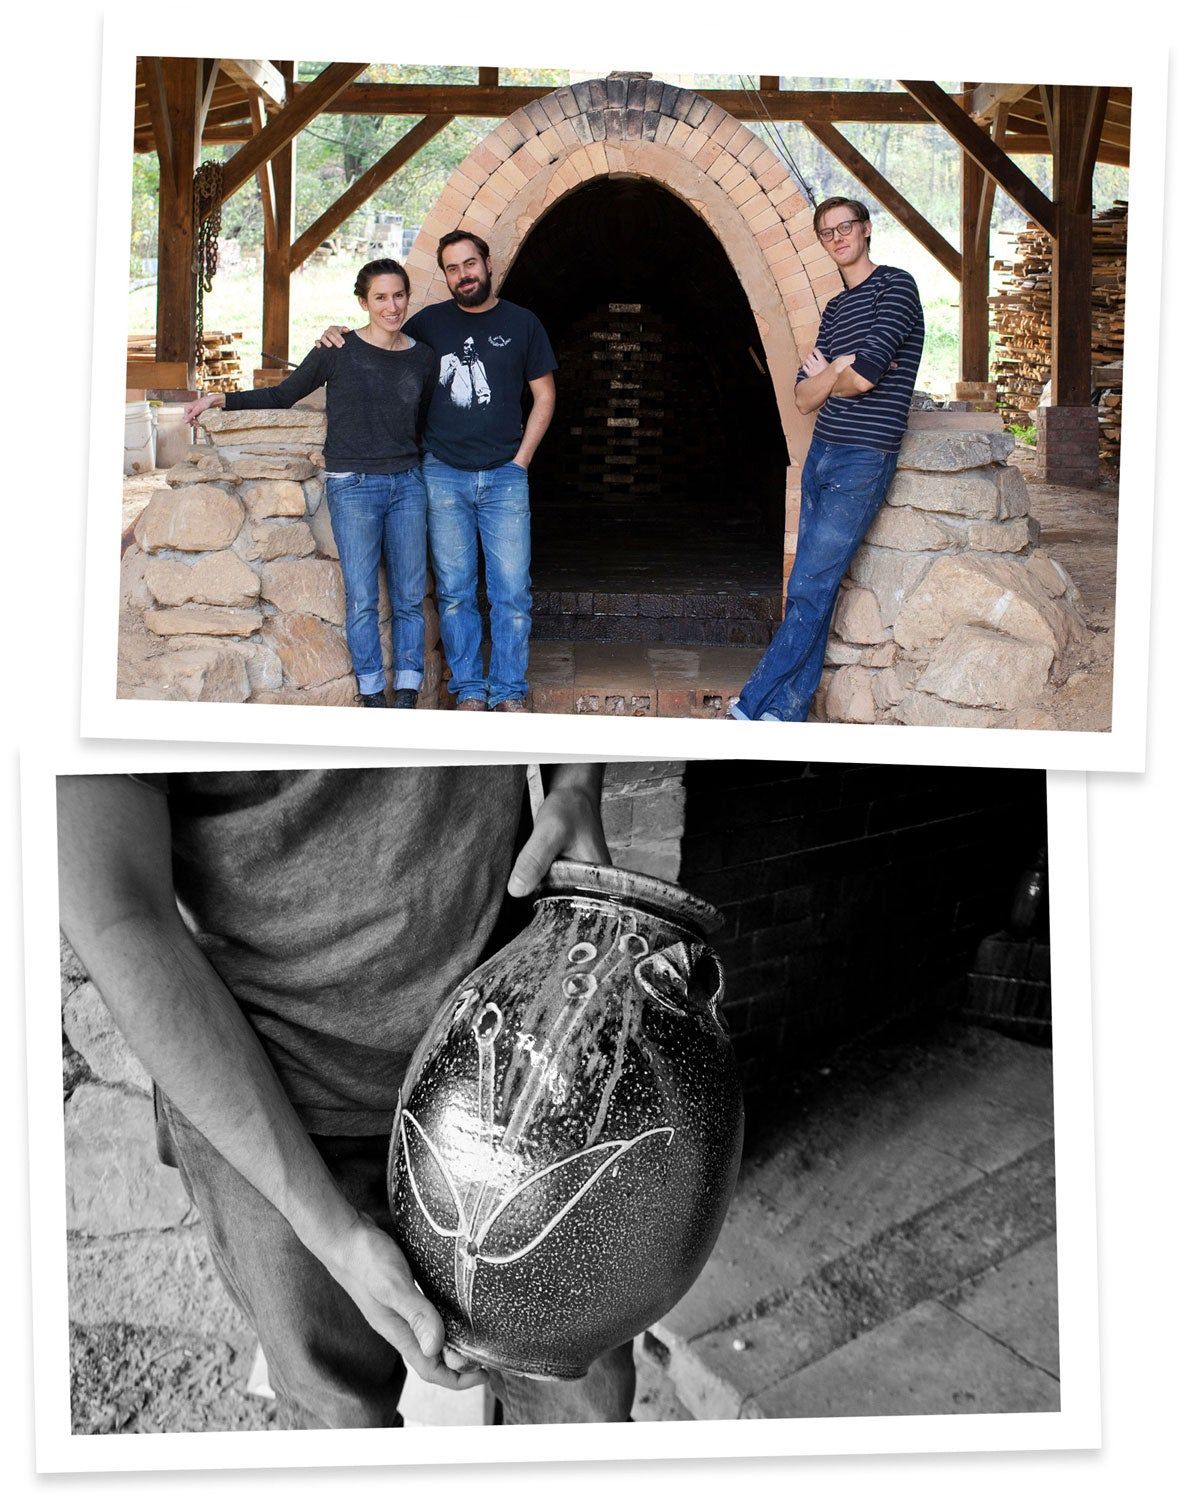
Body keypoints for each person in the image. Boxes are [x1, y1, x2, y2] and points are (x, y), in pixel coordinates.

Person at [57, 764, 637, 1427]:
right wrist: (328, 1230)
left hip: (514, 1061)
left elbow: (569, 668)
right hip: (278, 1093)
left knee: (583, 1417)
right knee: (342, 1425)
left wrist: (576, 783)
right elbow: (117, 914)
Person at [184, 260, 438, 710]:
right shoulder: (336, 349)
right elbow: (284, 394)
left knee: (407, 595)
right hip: (353, 485)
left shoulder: (422, 356)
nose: (391, 306)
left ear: (408, 296)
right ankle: (371, 690)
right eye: (380, 297)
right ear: (363, 302)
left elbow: (424, 423)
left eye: (398, 295)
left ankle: (408, 688)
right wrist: (221, 397)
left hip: (407, 486)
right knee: (361, 595)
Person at [320, 231, 556, 712]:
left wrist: (521, 461)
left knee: (512, 591)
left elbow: (545, 396)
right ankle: (469, 689)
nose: (463, 275)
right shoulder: (428, 324)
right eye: (452, 268)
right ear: (445, 275)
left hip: (505, 478)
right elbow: (381, 338)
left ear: (488, 264)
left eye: (470, 264)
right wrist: (335, 335)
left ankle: (509, 690)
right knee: (454, 592)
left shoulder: (523, 323)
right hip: (443, 475)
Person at [730, 197, 925, 722]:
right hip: (823, 453)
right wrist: (837, 368)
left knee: (809, 585)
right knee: (814, 586)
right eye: (826, 232)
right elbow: (801, 399)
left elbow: (863, 379)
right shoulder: (837, 309)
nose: (837, 237)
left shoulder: (896, 288)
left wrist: (834, 372)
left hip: (863, 457)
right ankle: (788, 711)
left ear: (866, 230)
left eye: (845, 227)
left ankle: (750, 705)